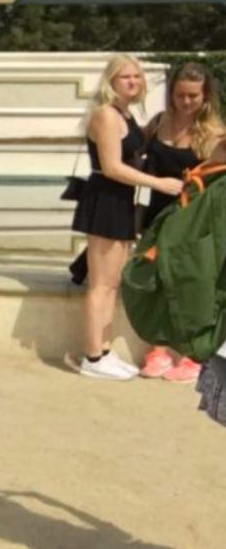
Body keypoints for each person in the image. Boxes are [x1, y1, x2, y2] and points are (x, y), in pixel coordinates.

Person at [71, 54, 184, 380]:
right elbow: (112, 167)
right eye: (125, 77)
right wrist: (159, 183)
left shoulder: (125, 114)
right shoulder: (106, 115)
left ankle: (103, 351)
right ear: (111, 80)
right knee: (101, 285)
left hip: (119, 201)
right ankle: (92, 356)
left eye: (137, 76)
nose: (133, 82)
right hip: (105, 200)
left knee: (112, 283)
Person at [136, 61, 224, 384]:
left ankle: (191, 357)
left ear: (205, 96)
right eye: (180, 95)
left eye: (193, 96)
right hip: (158, 216)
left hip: (194, 222)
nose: (186, 102)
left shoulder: (214, 134)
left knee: (193, 285)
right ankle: (158, 350)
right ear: (171, 94)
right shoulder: (158, 124)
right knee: (157, 282)